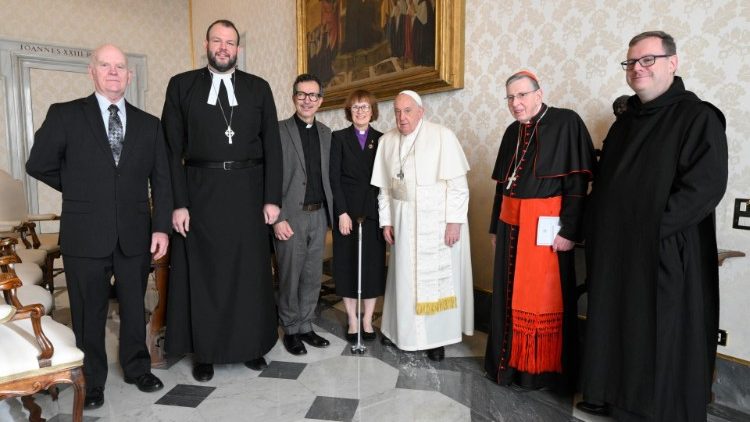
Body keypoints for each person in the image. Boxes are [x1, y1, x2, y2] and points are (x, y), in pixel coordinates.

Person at [579, 31, 728, 421]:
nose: (637, 69)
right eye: (631, 62)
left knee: (657, 332)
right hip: (615, 249)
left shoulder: (698, 117)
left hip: (662, 249)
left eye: (647, 60)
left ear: (673, 63)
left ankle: (650, 410)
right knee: (614, 326)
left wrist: (649, 230)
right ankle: (609, 395)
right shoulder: (624, 123)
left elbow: (703, 188)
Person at [26, 44, 170, 409]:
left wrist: (161, 228)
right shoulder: (65, 115)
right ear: (91, 71)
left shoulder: (150, 124)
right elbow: (38, 163)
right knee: (89, 313)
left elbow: (163, 181)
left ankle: (138, 368)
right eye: (105, 65)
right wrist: (78, 187)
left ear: (130, 75)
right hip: (84, 235)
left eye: (120, 66)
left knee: (134, 307)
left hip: (136, 234)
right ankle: (92, 381)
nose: (113, 72)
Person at [162, 19, 282, 382]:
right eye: (218, 41)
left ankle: (251, 347)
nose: (224, 47)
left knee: (248, 274)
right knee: (205, 276)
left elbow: (273, 147)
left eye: (230, 42)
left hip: (248, 193)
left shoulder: (258, 89)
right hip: (200, 192)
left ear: (238, 49)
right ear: (207, 44)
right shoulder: (182, 86)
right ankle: (205, 352)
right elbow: (170, 151)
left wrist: (271, 199)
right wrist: (178, 202)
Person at [483, 71, 595, 392]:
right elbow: (501, 186)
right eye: (510, 98)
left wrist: (570, 231)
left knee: (546, 296)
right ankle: (509, 366)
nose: (516, 104)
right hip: (510, 225)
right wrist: (495, 226)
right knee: (506, 294)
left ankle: (541, 371)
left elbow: (576, 183)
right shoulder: (511, 132)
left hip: (547, 230)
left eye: (521, 96)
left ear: (538, 94)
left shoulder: (566, 122)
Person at [371, 90, 474, 362]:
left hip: (438, 224)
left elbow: (459, 187)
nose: (401, 117)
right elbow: (383, 189)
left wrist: (454, 223)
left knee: (436, 282)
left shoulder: (442, 136)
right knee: (404, 279)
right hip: (403, 222)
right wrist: (386, 222)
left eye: (407, 111)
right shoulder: (387, 141)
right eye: (396, 111)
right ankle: (400, 333)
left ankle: (436, 339)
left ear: (421, 112)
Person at [274, 74, 334, 356]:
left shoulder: (326, 134)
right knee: (290, 275)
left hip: (319, 214)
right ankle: (291, 328)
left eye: (313, 95)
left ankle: (306, 324)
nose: (307, 100)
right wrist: (277, 217)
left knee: (312, 274)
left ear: (320, 100)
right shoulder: (278, 130)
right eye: (302, 94)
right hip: (290, 216)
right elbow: (269, 178)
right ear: (293, 96)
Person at [329, 89, 386, 342]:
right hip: (347, 212)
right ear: (349, 112)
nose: (361, 111)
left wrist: (386, 217)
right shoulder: (338, 138)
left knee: (373, 266)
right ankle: (352, 319)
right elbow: (334, 178)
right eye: (356, 107)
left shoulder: (383, 139)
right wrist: (341, 212)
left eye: (365, 107)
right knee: (347, 264)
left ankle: (367, 319)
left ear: (372, 111)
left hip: (374, 211)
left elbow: (386, 181)